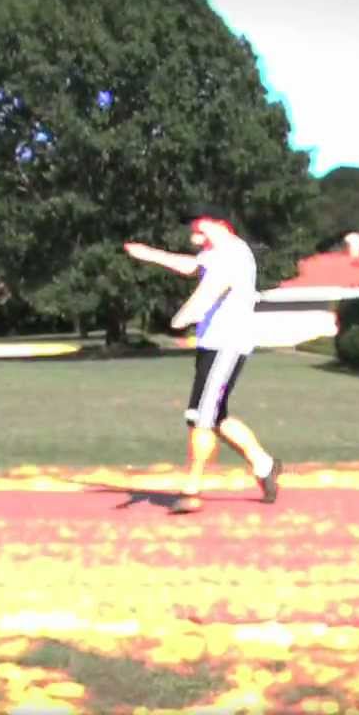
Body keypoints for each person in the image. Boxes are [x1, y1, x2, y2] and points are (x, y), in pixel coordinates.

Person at [124, 204, 282, 514]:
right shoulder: (215, 252)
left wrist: (186, 314)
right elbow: (191, 267)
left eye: (198, 223)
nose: (193, 229)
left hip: (227, 344)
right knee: (215, 416)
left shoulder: (233, 253)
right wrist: (149, 254)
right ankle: (264, 464)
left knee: (200, 417)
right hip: (212, 343)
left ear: (219, 223)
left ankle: (192, 489)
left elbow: (214, 288)